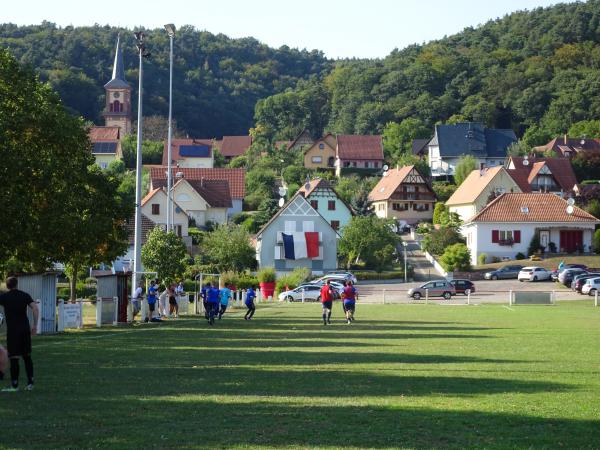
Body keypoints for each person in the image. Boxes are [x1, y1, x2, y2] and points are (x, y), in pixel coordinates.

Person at [0, 276, 39, 392]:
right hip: (25, 329)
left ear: (7, 286)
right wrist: (35, 326)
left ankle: (14, 385)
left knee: (14, 358)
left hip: (13, 331)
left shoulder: (4, 297)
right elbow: (35, 309)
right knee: (27, 356)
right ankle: (30, 383)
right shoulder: (24, 295)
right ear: (17, 285)